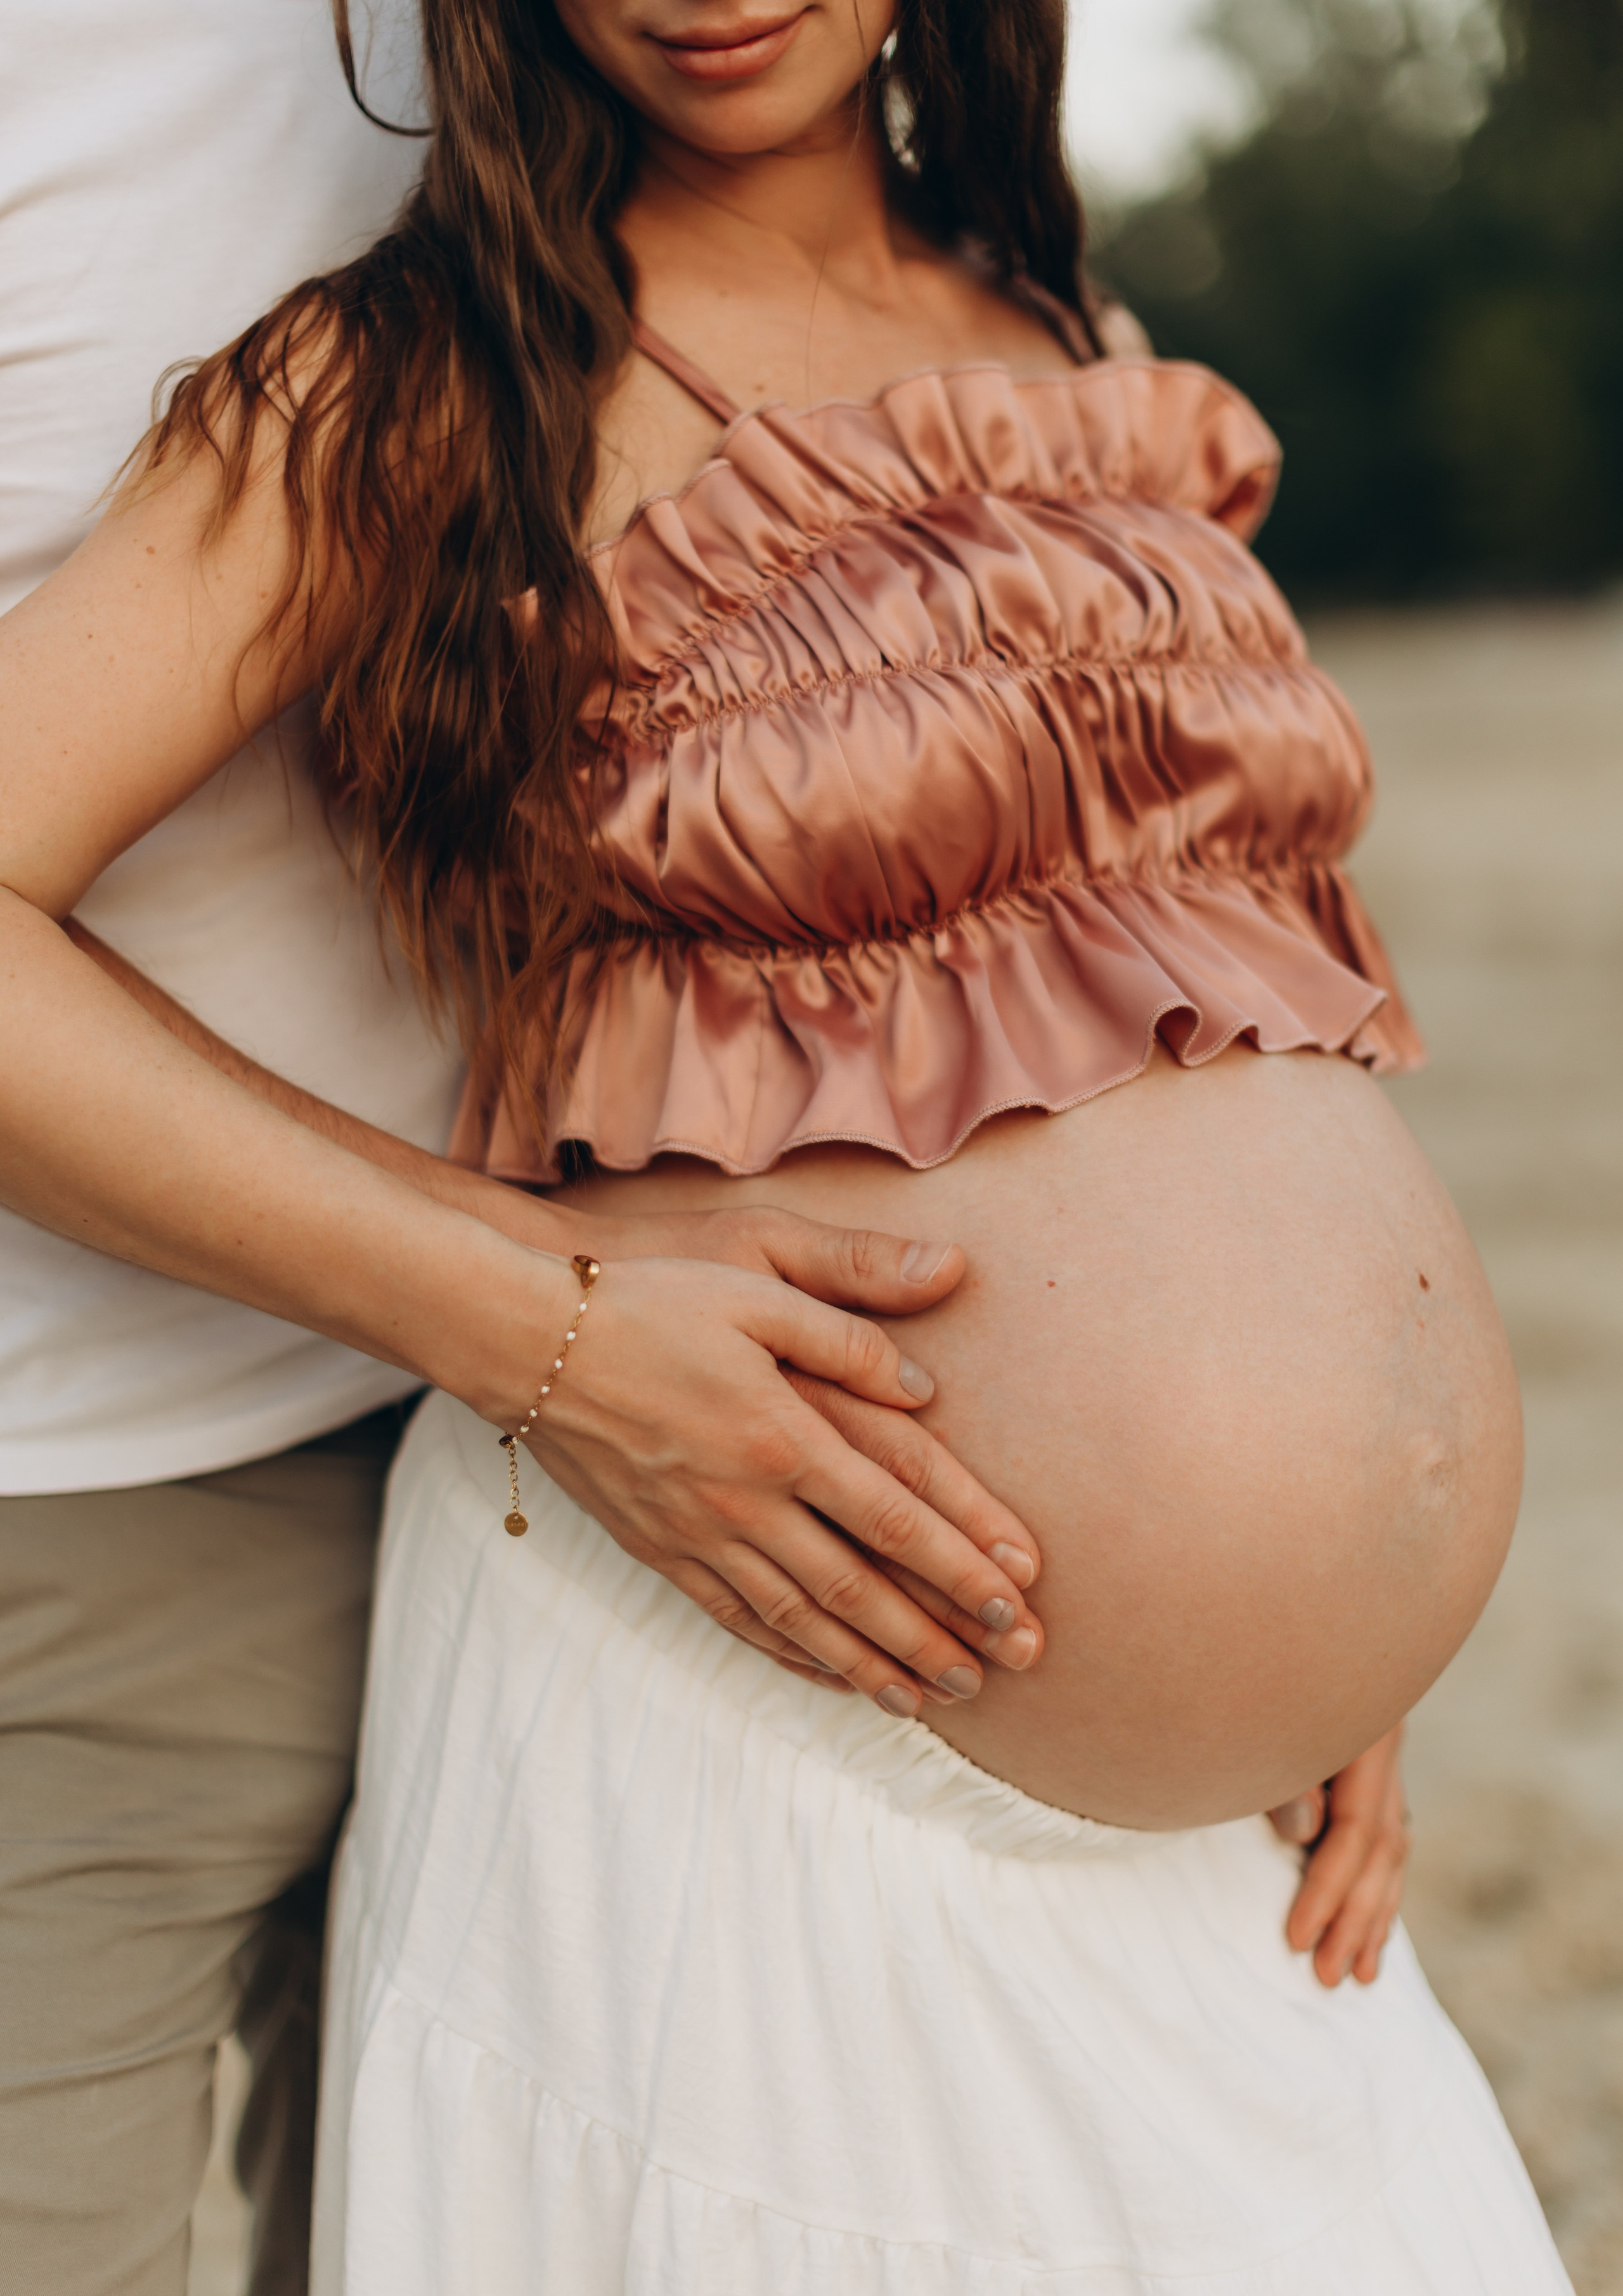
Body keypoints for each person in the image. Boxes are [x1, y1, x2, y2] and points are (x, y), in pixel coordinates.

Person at [0, 2, 1572, 2291]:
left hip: (1205, 1823)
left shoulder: (1061, 322)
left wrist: (1334, 1618)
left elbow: (1214, 981)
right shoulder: (415, 384)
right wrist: (538, 1323)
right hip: (760, 1706)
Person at [0, 6, 1035, 2292]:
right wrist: (543, 1324)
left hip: (575, 1517)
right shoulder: (385, 359)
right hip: (73, 1518)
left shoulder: (951, 299)